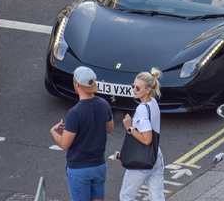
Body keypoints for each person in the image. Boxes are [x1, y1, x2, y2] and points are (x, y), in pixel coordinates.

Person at [50, 66, 114, 201]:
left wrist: (53, 132)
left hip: (80, 169)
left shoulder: (75, 112)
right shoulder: (104, 104)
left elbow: (64, 144)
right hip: (99, 166)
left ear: (77, 84)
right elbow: (109, 128)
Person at [119, 68, 165, 201]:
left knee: (126, 196)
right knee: (157, 196)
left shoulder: (141, 109)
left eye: (138, 88)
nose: (134, 90)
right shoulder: (153, 103)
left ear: (148, 90)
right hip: (156, 155)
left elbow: (147, 139)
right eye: (133, 86)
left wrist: (129, 127)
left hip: (142, 159)